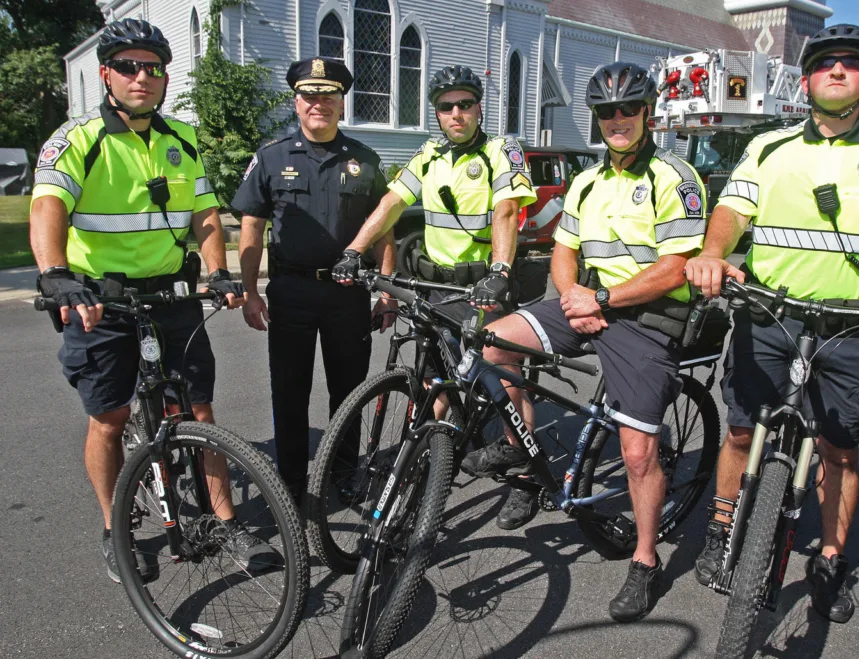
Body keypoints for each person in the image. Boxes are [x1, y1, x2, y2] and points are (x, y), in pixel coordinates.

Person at [684, 24, 859, 624]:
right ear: (806, 79)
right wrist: (712, 253)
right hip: (768, 314)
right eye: (826, 63)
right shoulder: (769, 147)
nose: (838, 70)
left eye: (853, 63)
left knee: (839, 451)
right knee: (739, 433)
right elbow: (732, 211)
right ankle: (722, 524)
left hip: (854, 327)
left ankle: (831, 559)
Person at [460, 62, 708, 622]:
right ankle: (522, 451)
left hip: (647, 319)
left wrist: (605, 301)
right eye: (606, 112)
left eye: (627, 109)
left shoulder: (676, 176)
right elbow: (564, 252)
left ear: (647, 114)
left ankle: (645, 560)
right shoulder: (588, 181)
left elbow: (675, 268)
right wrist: (575, 297)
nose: (617, 119)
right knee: (492, 343)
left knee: (638, 451)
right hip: (591, 306)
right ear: (597, 119)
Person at [30, 18, 275, 583]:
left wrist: (217, 271)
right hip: (99, 299)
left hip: (171, 295)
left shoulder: (181, 139)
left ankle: (224, 522)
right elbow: (47, 209)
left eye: (153, 67)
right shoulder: (77, 140)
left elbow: (206, 214)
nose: (142, 77)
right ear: (106, 74)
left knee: (199, 411)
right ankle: (116, 530)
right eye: (128, 66)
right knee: (111, 419)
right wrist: (56, 275)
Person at [333, 65, 536, 431]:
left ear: (478, 109)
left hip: (482, 288)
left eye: (465, 104)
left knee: (506, 380)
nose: (456, 114)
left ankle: (522, 468)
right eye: (446, 107)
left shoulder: (501, 149)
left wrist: (500, 271)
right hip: (434, 290)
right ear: (438, 114)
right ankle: (427, 454)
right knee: (433, 378)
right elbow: (392, 203)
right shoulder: (429, 153)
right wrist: (353, 250)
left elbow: (507, 210)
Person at [231, 57, 396, 505]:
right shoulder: (270, 157)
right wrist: (249, 293)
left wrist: (384, 291)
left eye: (329, 95)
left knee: (349, 392)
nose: (318, 103)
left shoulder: (364, 159)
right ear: (296, 102)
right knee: (289, 391)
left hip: (348, 296)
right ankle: (290, 480)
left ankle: (344, 472)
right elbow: (251, 225)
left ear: (342, 103)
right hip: (292, 292)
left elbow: (382, 226)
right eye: (310, 95)